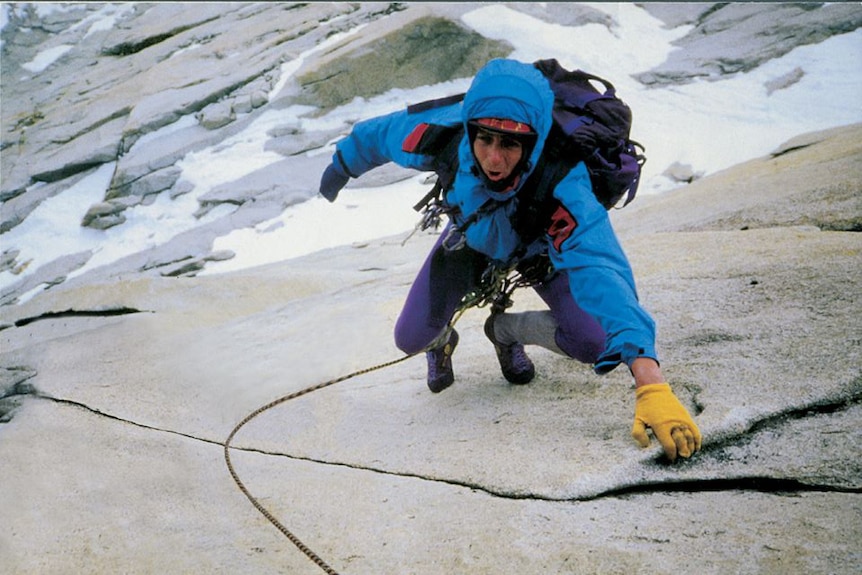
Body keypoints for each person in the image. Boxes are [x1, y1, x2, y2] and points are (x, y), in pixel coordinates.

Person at [317, 58, 701, 462]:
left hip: (539, 253)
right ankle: (442, 339)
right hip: (469, 241)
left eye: (511, 144)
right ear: (470, 129)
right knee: (408, 338)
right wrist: (341, 166)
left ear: (533, 142)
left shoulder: (563, 179)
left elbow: (602, 270)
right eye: (485, 140)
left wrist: (650, 383)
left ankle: (504, 331)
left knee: (592, 341)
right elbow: (378, 136)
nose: (494, 159)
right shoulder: (445, 130)